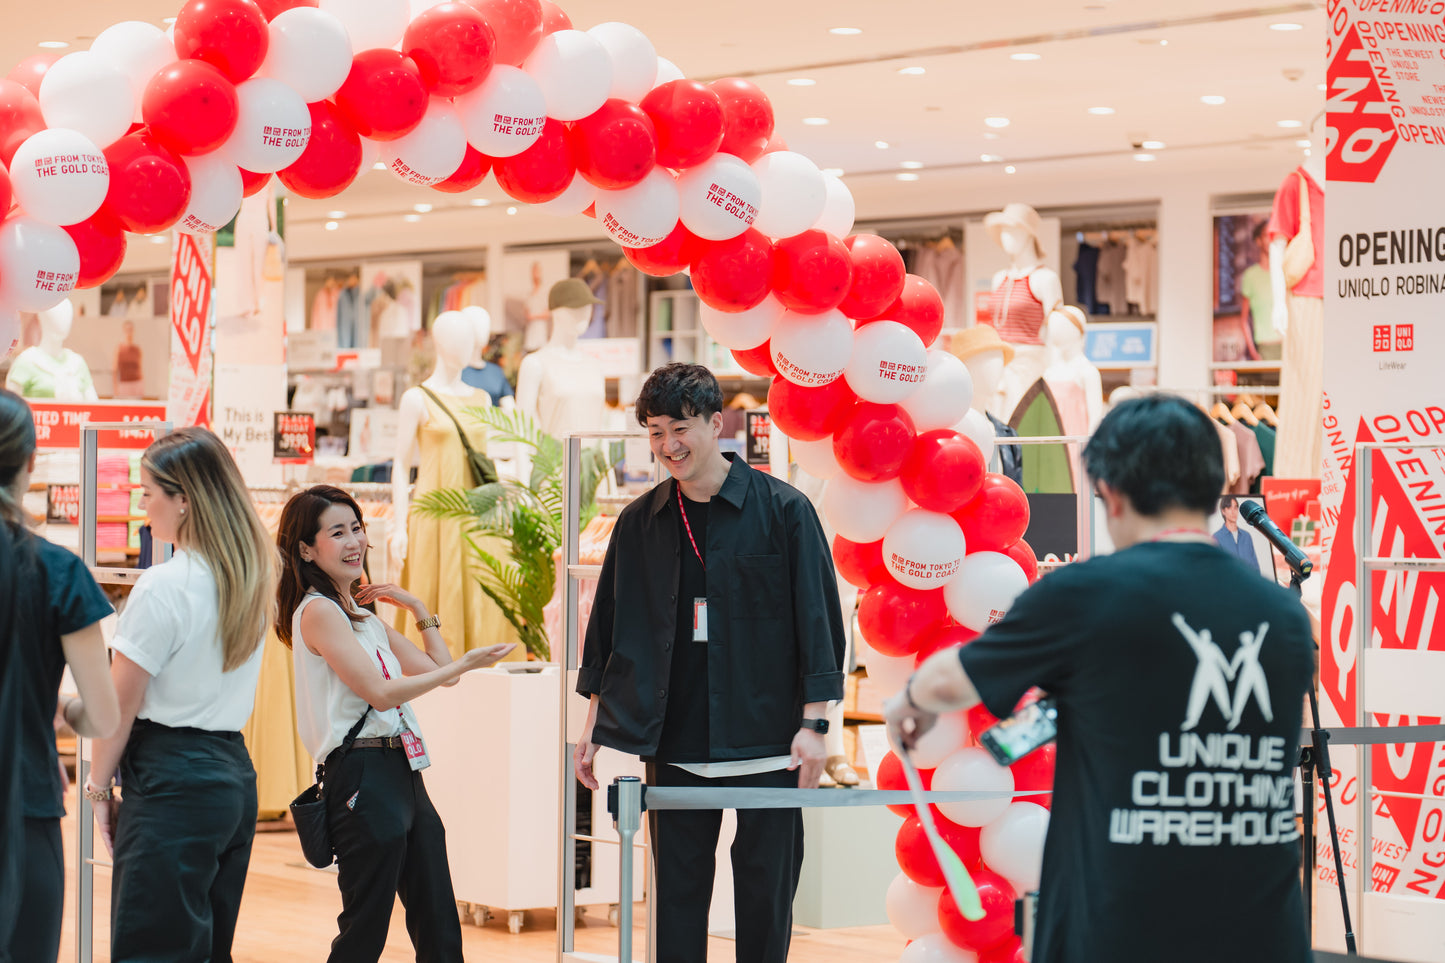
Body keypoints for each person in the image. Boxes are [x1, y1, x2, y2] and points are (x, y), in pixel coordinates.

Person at [885, 394, 1314, 963]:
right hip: (1262, 931)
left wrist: (909, 699)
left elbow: (948, 684)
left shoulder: (1086, 595)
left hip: (1123, 925)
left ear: (1111, 491)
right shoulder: (1284, 616)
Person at [573, 363, 847, 963]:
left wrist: (816, 724)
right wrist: (591, 729)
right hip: (674, 741)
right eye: (653, 432)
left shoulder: (785, 511)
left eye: (680, 427)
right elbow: (609, 636)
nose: (668, 445)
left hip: (770, 739)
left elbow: (819, 623)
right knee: (674, 900)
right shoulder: (638, 523)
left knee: (765, 900)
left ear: (715, 423)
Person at [276, 485, 515, 962]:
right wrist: (464, 664)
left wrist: (420, 610)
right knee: (366, 927)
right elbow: (381, 692)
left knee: (438, 918)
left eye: (357, 528)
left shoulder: (361, 616)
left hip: (402, 770)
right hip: (361, 773)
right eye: (337, 532)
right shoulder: (318, 611)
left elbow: (434, 674)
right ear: (307, 549)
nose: (354, 542)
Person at [87, 427, 276, 962]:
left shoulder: (163, 586)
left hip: (172, 782)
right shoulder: (251, 576)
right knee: (209, 949)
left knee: (152, 950)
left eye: (148, 493)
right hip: (232, 777)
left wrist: (98, 792)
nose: (143, 506)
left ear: (185, 501)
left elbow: (117, 709)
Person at [0, 389, 120, 962]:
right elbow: (101, 714)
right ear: (29, 463)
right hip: (25, 805)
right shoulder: (57, 570)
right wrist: (59, 709)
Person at [1213, 494, 1260, 568]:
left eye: (1235, 507)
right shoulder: (1217, 538)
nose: (1233, 512)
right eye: (1229, 508)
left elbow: (1255, 566)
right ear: (1223, 511)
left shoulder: (1246, 536)